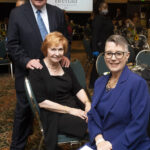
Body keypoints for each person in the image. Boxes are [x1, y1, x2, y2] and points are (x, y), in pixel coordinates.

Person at [7, 0, 70, 149]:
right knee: (23, 113)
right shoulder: (17, 14)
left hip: (53, 73)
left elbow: (65, 38)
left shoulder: (57, 13)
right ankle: (17, 146)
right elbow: (12, 44)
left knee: (54, 109)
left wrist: (65, 54)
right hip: (27, 74)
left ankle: (53, 143)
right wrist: (26, 61)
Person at [82, 34, 150, 150]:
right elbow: (92, 115)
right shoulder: (99, 82)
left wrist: (112, 147)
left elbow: (138, 125)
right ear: (104, 56)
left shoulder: (138, 84)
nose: (113, 58)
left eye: (119, 53)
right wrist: (99, 140)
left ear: (127, 56)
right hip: (101, 143)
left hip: (127, 145)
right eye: (109, 53)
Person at [29, 31, 91, 150]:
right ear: (46, 49)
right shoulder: (37, 69)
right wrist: (71, 111)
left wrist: (87, 104)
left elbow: (77, 88)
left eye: (60, 50)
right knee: (91, 125)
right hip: (55, 113)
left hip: (74, 106)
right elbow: (42, 102)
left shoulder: (65, 66)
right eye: (53, 49)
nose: (57, 54)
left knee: (99, 116)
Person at [89, 1, 114, 88]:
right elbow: (95, 34)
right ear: (99, 9)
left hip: (107, 45)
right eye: (103, 7)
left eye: (106, 7)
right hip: (100, 46)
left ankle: (101, 83)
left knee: (102, 65)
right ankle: (92, 85)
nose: (105, 9)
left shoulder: (107, 18)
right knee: (97, 66)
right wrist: (95, 49)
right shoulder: (98, 18)